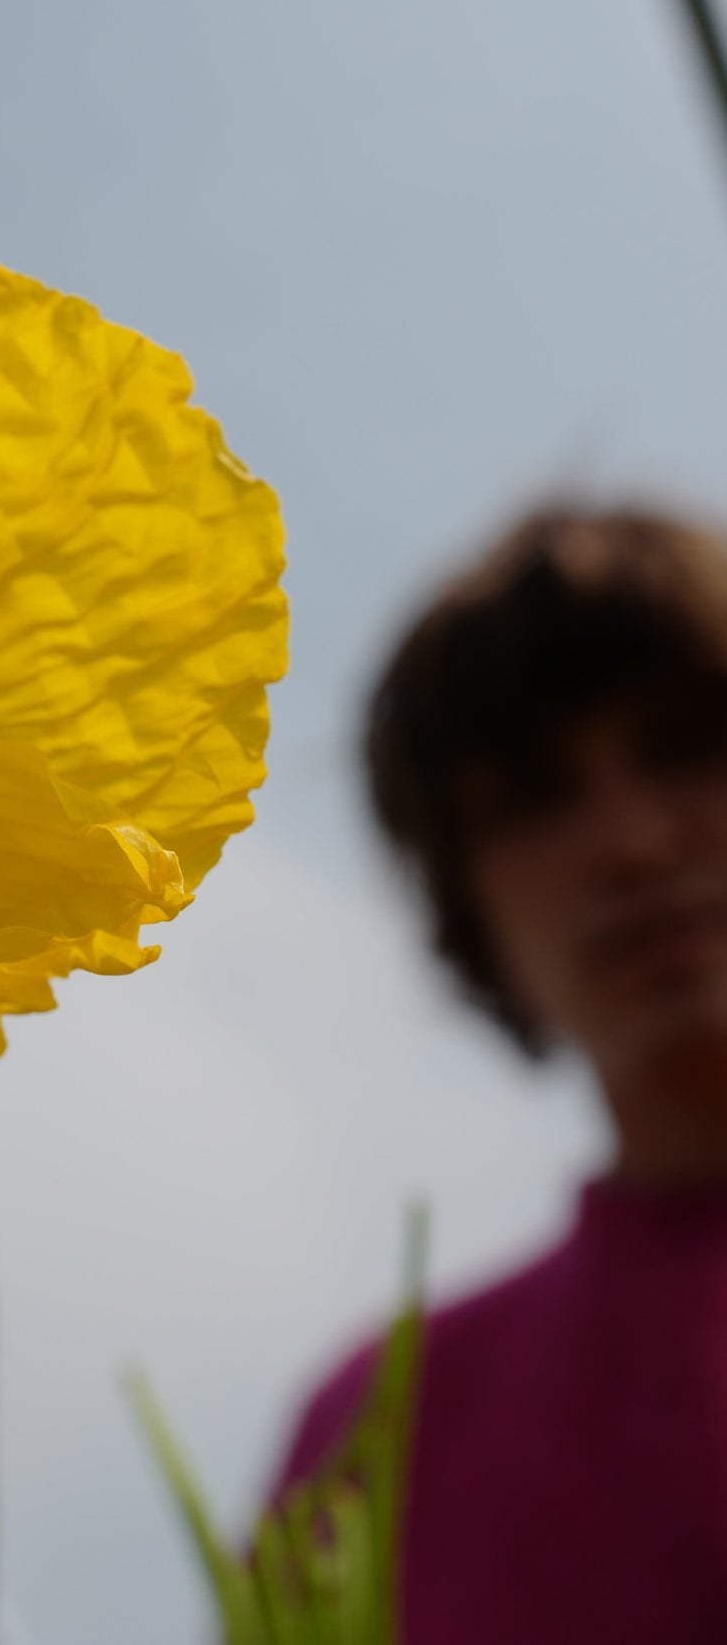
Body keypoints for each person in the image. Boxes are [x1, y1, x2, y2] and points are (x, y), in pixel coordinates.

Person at [275, 505, 727, 1643]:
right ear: (464, 916)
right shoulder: (372, 1441)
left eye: (685, 747)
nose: (628, 842)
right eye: (529, 800)